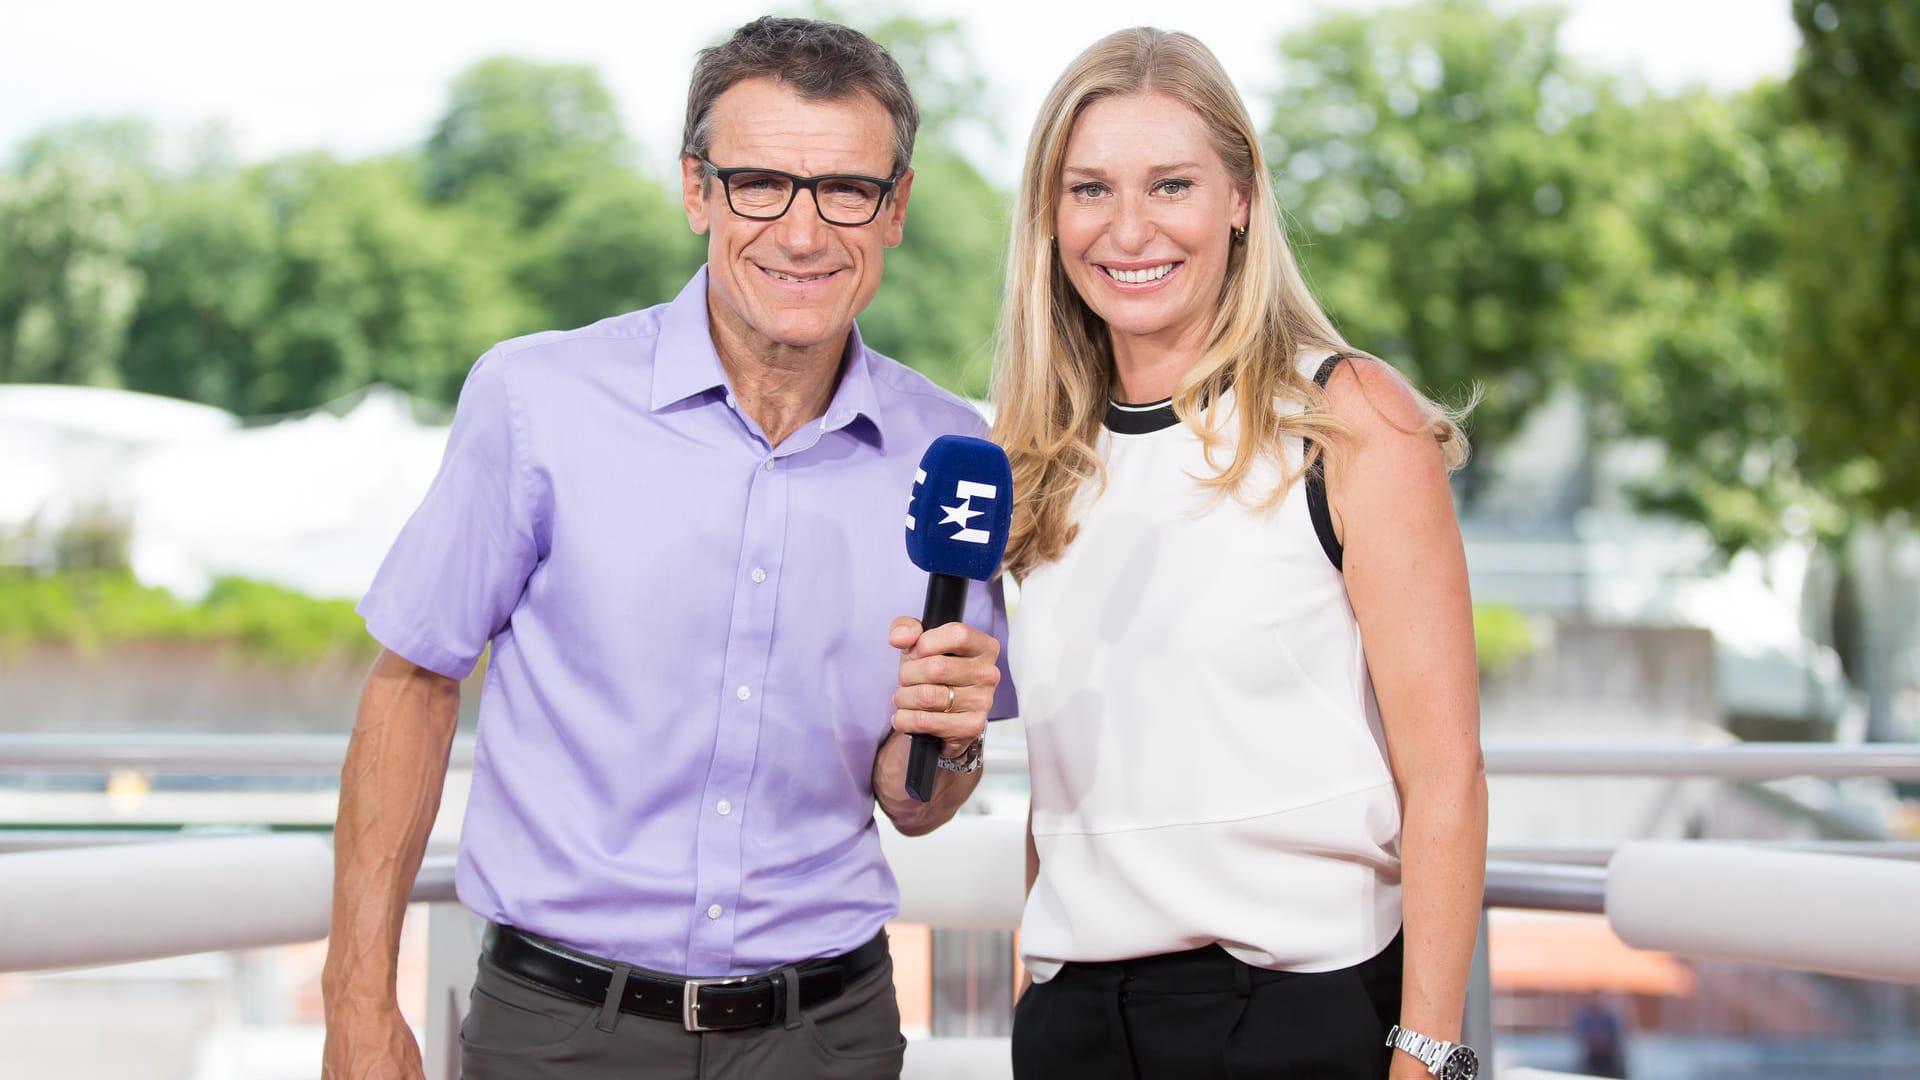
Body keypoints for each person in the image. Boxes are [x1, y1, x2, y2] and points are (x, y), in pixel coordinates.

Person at [319, 16, 1017, 1080]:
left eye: (846, 190)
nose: (801, 232)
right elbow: (412, 684)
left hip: (830, 1038)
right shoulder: (535, 401)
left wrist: (951, 746)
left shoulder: (952, 452)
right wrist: (358, 1001)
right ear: (698, 190)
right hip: (557, 1032)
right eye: (759, 184)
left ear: (896, 210)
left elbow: (912, 806)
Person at [993, 27, 1487, 1080]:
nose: (1128, 228)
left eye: (1170, 184)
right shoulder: (1038, 458)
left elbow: (1444, 777)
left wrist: (1429, 1057)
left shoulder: (1347, 418)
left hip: (1292, 1025)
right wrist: (1034, 988)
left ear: (1240, 198)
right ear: (1048, 213)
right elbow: (1069, 780)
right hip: (1074, 1025)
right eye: (1089, 190)